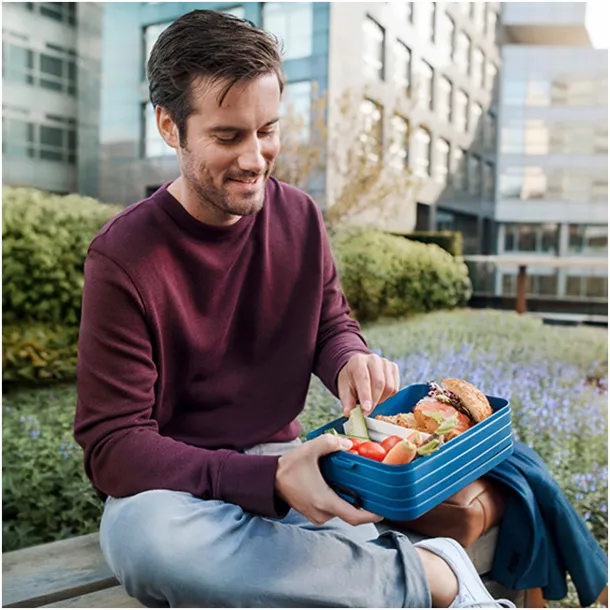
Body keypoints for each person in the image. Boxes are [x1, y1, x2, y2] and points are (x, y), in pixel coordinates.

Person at [74, 10, 515, 608]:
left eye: (268, 130)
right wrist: (263, 482)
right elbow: (113, 447)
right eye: (229, 136)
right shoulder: (123, 256)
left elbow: (330, 324)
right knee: (148, 543)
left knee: (278, 535)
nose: (256, 158)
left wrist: (350, 361)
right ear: (170, 127)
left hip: (284, 462)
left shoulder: (300, 217)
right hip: (172, 487)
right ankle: (439, 578)